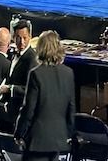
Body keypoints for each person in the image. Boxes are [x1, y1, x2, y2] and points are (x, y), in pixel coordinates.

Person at [15, 32, 74, 161]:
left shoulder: (36, 74)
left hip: (38, 139)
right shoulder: (68, 73)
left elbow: (28, 109)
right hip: (58, 138)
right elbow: (71, 108)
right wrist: (68, 134)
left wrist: (19, 133)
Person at [0, 19, 37, 122]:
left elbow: (31, 89)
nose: (22, 42)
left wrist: (10, 89)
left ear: (30, 37)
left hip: (21, 112)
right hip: (10, 109)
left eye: (25, 38)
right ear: (13, 38)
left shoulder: (32, 59)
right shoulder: (13, 54)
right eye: (18, 38)